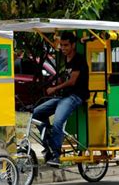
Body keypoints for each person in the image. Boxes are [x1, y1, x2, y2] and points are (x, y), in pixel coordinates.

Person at [32, 32, 89, 167]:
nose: (63, 48)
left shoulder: (78, 60)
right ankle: (50, 145)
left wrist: (55, 88)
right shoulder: (65, 59)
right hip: (64, 97)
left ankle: (56, 155)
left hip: (76, 96)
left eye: (66, 45)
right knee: (37, 113)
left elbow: (73, 81)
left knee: (58, 121)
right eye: (61, 45)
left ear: (73, 45)